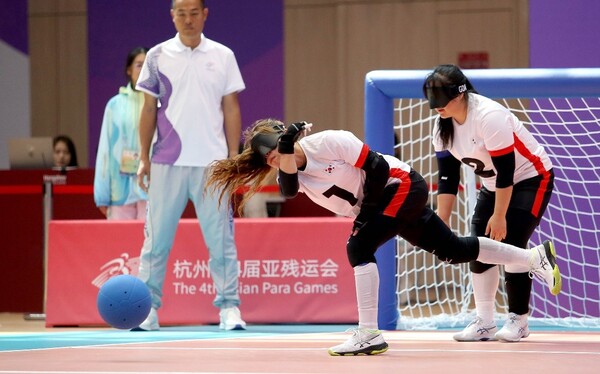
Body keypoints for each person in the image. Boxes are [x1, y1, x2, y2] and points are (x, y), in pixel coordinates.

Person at [205, 119, 562, 356]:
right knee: (452, 249)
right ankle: (532, 259)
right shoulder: (290, 171)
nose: (276, 162)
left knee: (358, 246)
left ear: (293, 142)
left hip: (401, 185)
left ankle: (369, 333)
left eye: (278, 154)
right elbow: (286, 188)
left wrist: (366, 216)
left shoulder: (330, 142)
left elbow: (375, 169)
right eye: (270, 159)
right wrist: (283, 157)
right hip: (388, 201)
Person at [132, 0, 246, 331]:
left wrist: (232, 158)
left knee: (221, 240)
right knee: (156, 241)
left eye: (194, 12)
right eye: (181, 13)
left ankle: (229, 308)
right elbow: (148, 109)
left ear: (205, 14)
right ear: (172, 16)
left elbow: (231, 108)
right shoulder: (156, 56)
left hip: (212, 164)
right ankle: (148, 309)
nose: (188, 19)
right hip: (167, 161)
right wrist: (143, 156)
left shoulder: (223, 56)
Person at [423, 64, 556, 342]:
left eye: (440, 99)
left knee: (511, 244)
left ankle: (519, 321)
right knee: (478, 246)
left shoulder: (489, 116)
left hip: (530, 178)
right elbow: (447, 178)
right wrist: (441, 220)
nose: (436, 107)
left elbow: (507, 172)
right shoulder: (441, 126)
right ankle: (484, 321)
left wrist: (499, 215)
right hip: (494, 185)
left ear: (459, 94)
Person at [94, 47, 149, 220]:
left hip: (150, 186)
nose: (143, 69)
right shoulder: (114, 105)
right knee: (120, 243)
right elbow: (105, 149)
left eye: (147, 65)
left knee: (150, 243)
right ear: (129, 70)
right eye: (139, 65)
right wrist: (102, 194)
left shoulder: (158, 105)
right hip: (120, 187)